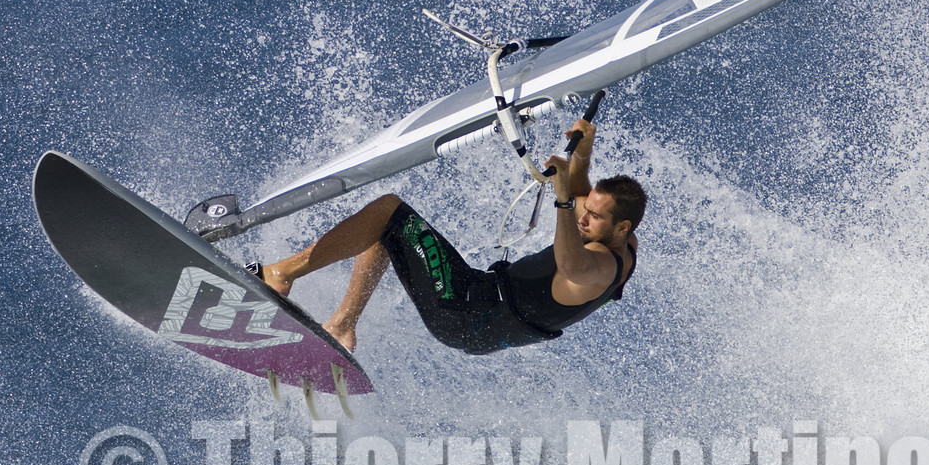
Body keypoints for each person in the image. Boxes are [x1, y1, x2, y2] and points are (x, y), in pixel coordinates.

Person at [252, 120, 643, 356]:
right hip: (483, 319)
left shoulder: (597, 267)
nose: (582, 215)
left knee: (389, 210)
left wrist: (559, 198)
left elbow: (572, 264)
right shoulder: (626, 245)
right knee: (393, 231)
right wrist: (583, 154)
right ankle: (340, 325)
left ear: (621, 227)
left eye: (593, 216)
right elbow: (581, 198)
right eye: (585, 210)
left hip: (464, 309)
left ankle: (282, 273)